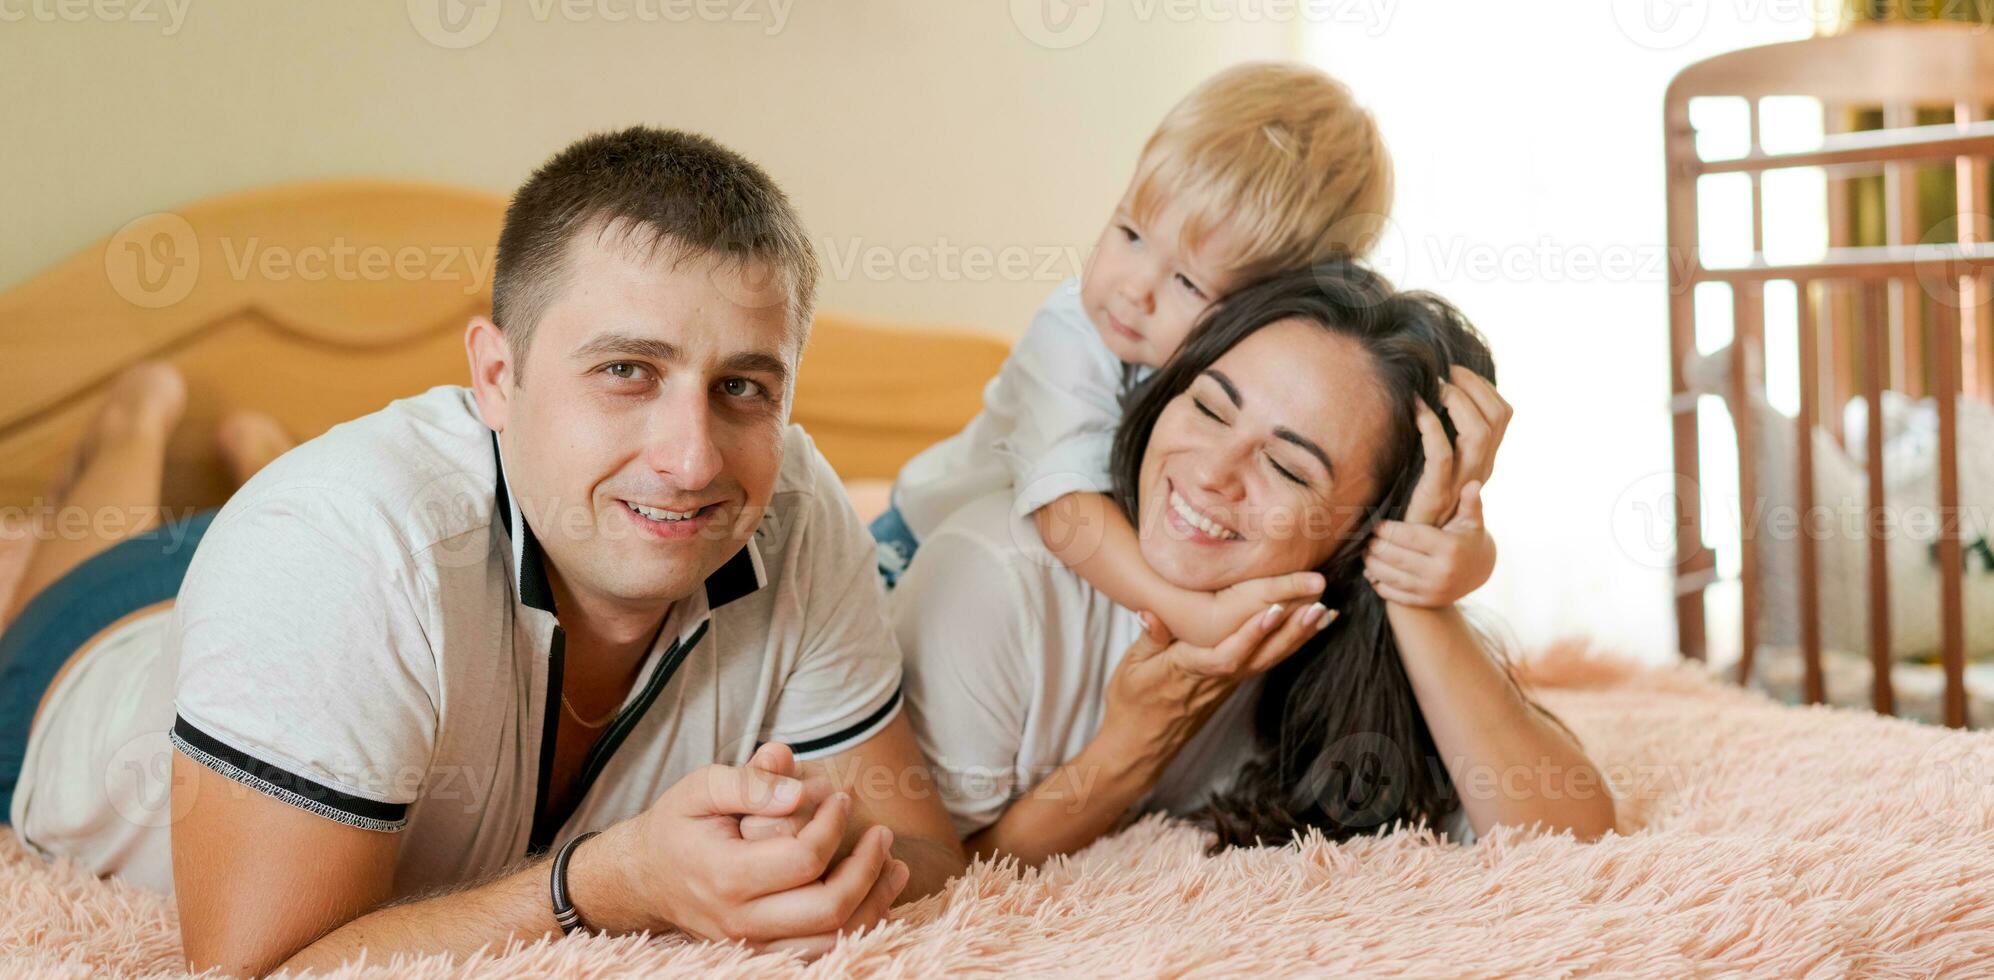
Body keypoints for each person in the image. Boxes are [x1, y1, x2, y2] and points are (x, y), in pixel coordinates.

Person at [0, 127, 965, 976]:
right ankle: (133, 420)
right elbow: (261, 969)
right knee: (93, 552)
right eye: (627, 371)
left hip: (357, 583)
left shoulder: (791, 493)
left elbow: (923, 846)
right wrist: (609, 881)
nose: (692, 459)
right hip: (91, 648)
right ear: (496, 377)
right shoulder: (324, 551)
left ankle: (260, 446)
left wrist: (811, 861)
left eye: (745, 386)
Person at [893, 264, 1618, 865]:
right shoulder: (995, 575)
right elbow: (923, 882)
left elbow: (1570, 839)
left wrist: (1413, 582)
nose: (1213, 473)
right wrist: (1132, 747)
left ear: (1360, 534)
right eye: (1209, 408)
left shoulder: (1327, 628)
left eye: (1288, 467)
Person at [869, 62, 1491, 645]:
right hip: (912, 552)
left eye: (1188, 282)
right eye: (1130, 233)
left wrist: (1467, 559)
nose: (1133, 289)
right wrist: (1198, 615)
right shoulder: (1071, 334)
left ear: (1266, 310)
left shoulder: (1264, 375)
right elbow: (1067, 516)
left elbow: (1384, 483)